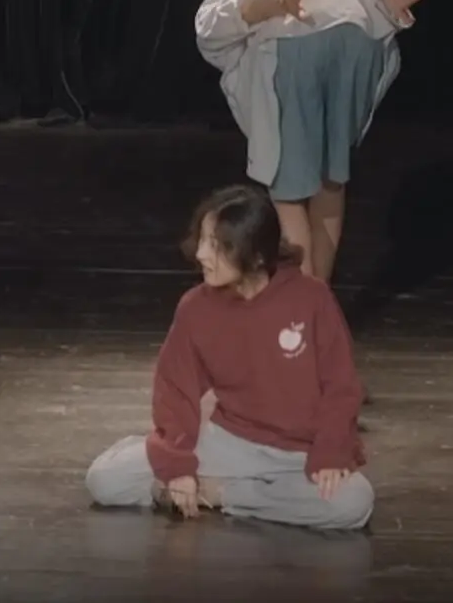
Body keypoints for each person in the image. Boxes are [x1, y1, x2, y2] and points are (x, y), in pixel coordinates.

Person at [84, 184, 374, 531]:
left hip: (300, 453)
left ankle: (219, 495)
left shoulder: (312, 298)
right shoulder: (196, 307)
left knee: (352, 503)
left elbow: (341, 387)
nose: (201, 254)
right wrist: (176, 464)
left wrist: (330, 452)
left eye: (217, 246)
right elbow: (174, 391)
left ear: (256, 255)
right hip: (230, 443)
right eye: (203, 241)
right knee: (106, 480)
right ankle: (186, 487)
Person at [194, 0, 424, 285]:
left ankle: (302, 301)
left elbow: (210, 27)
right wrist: (384, 9)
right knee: (331, 180)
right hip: (357, 33)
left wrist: (267, 6)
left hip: (294, 41)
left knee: (288, 194)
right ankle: (319, 295)